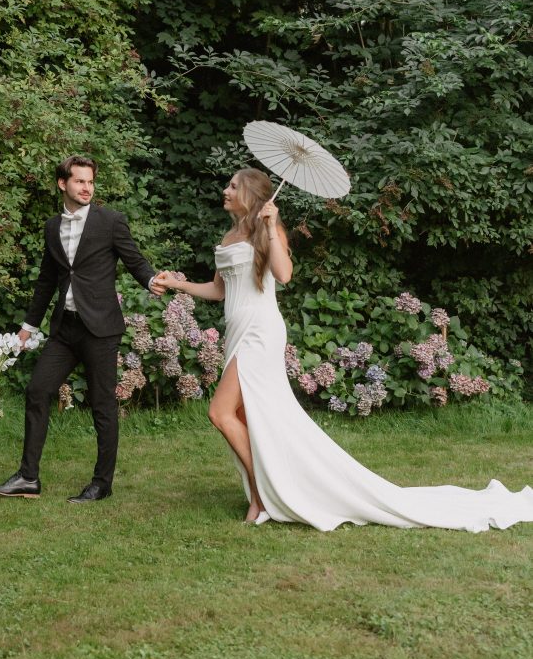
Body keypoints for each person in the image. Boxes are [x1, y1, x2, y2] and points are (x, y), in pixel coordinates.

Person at [156, 167, 533, 532]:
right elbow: (219, 290)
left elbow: (284, 275)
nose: (226, 190)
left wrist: (271, 227)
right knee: (247, 416)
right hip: (237, 330)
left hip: (260, 330)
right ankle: (268, 491)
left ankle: (260, 496)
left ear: (252, 196)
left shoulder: (267, 232)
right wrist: (178, 285)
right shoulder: (228, 237)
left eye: (234, 186)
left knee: (220, 412)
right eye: (228, 185)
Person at [0, 154, 163, 503]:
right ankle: (28, 478)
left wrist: (152, 280)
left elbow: (134, 260)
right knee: (38, 391)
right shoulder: (52, 226)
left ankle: (102, 483)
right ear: (62, 183)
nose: (87, 188)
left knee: (102, 406)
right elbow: (47, 280)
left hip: (100, 329)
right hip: (64, 330)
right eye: (80, 181)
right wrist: (27, 327)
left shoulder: (109, 221)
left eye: (91, 182)